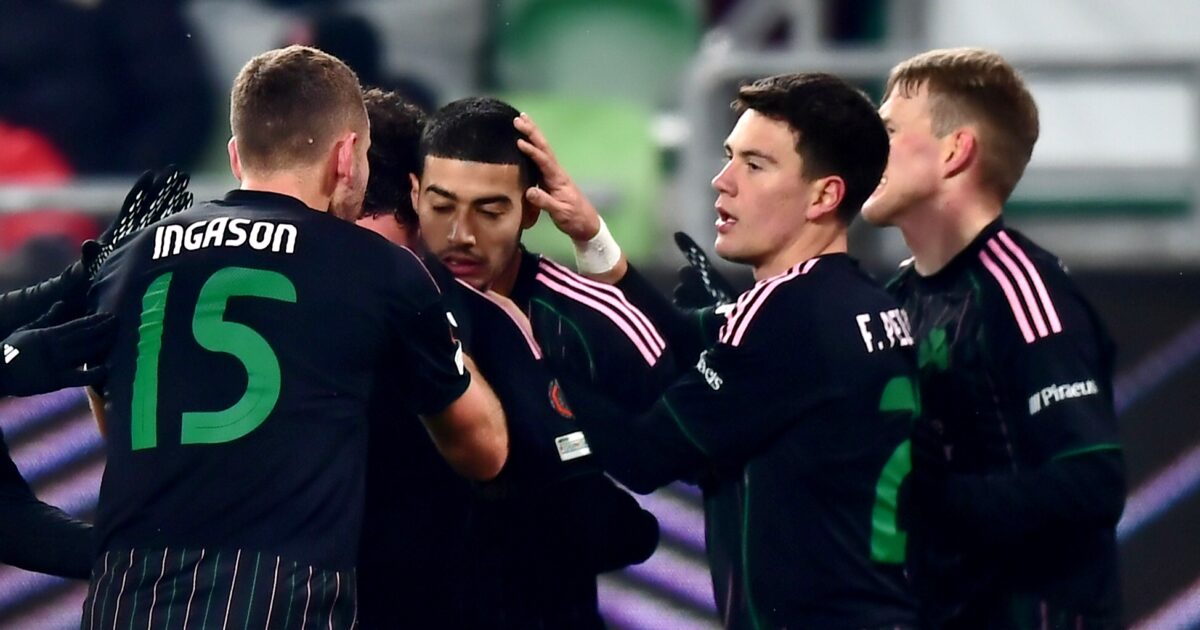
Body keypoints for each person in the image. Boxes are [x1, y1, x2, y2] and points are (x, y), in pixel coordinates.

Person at [82, 46, 507, 630]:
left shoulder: (125, 261)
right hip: (275, 598)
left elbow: (117, 423)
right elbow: (485, 450)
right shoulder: (378, 270)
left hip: (128, 599)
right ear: (347, 157)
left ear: (236, 156)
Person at [519, 73, 919, 629]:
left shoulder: (787, 313)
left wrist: (525, 362)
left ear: (824, 195)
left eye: (755, 165)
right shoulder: (858, 301)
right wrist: (593, 238)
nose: (722, 180)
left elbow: (644, 454)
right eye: (730, 156)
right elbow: (691, 344)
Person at [859, 47, 1125, 629]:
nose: (865, 148)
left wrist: (938, 498)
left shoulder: (1024, 290)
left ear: (955, 151)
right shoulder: (894, 297)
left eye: (888, 131)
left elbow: (1093, 482)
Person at [409, 96, 663, 629]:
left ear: (530, 210)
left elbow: (660, 450)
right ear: (414, 195)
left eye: (489, 211)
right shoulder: (387, 305)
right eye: (442, 206)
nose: (461, 235)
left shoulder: (580, 314)